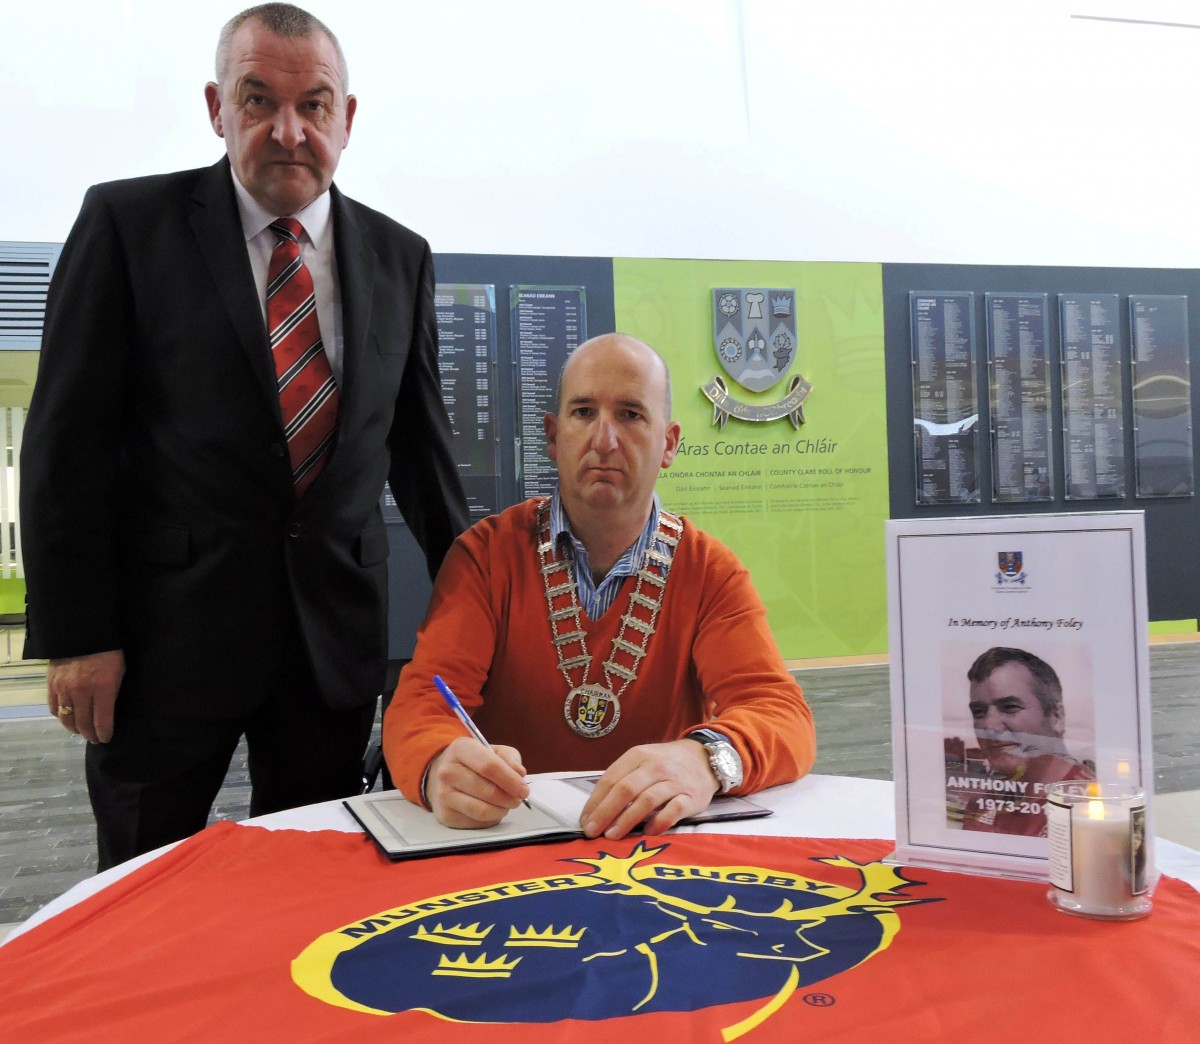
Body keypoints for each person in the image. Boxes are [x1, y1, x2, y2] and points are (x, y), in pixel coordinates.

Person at [20, 3, 468, 870]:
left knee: (310, 880)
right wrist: (79, 635)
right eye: (258, 101)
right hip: (162, 647)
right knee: (142, 886)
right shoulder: (127, 226)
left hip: (332, 646)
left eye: (315, 105)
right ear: (216, 109)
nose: (288, 131)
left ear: (349, 118)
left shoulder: (399, 256)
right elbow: (65, 445)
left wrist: (490, 609)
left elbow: (422, 457)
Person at [383, 333, 815, 840]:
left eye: (631, 415)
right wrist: (439, 763)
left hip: (657, 852)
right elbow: (423, 705)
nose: (604, 439)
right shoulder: (485, 557)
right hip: (507, 846)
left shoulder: (709, 571)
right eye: (583, 412)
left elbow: (781, 714)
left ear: (669, 443)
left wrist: (706, 759)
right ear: (552, 435)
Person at [959, 646, 1094, 836]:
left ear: (1057, 717)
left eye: (1010, 707)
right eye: (979, 712)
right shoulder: (981, 803)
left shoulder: (1091, 808)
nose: (990, 726)